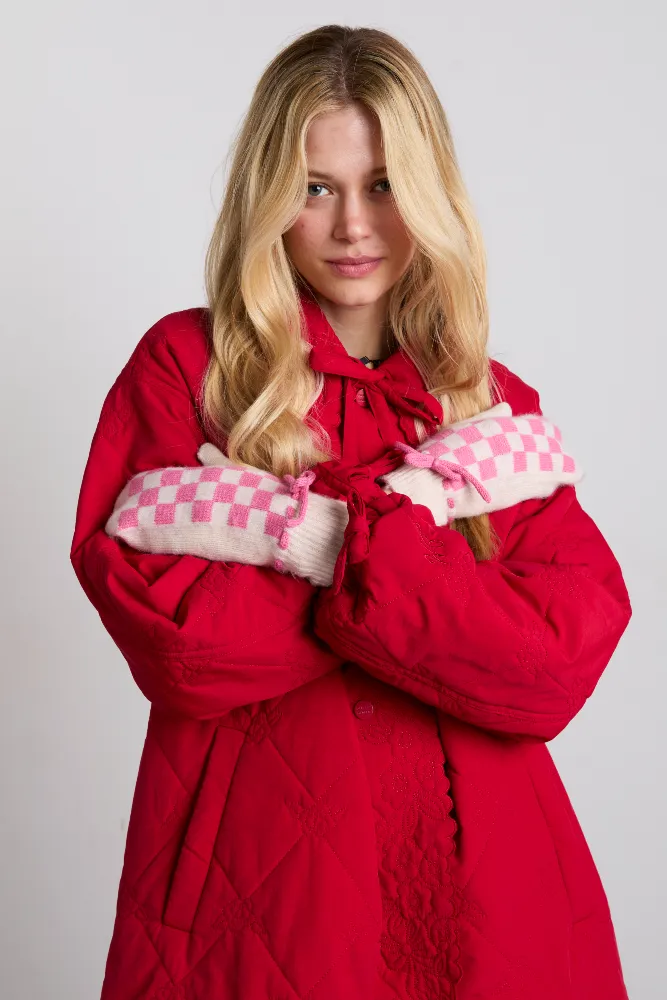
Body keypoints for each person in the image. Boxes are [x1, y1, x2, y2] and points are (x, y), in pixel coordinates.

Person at [70, 24, 632, 1000]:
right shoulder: (185, 373)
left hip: (493, 893)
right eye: (317, 187)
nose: (352, 227)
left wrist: (297, 541)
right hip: (257, 900)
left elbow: (551, 664)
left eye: (380, 184)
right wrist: (408, 555)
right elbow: (187, 645)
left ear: (427, 193)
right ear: (268, 196)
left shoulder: (490, 404)